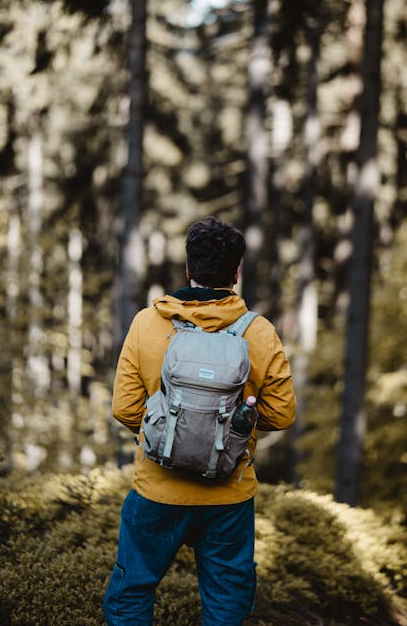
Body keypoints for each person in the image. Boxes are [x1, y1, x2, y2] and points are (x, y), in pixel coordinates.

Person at [103, 216, 296, 626]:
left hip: (156, 489)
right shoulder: (258, 333)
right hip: (228, 495)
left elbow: (123, 408)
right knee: (227, 604)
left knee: (132, 591)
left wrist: (167, 433)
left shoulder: (147, 322)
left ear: (188, 268)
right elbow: (282, 413)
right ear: (236, 273)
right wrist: (230, 427)